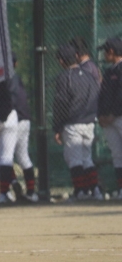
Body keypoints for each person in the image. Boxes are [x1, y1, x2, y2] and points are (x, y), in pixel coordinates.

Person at [52, 44, 102, 200]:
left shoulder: (64, 77)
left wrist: (57, 128)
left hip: (73, 123)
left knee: (74, 159)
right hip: (90, 122)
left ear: (61, 61)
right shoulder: (88, 75)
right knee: (87, 158)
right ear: (75, 57)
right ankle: (95, 190)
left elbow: (60, 103)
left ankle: (80, 191)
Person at [8, 53, 38, 202]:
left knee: (4, 156)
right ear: (16, 64)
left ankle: (14, 187)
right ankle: (31, 192)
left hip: (14, 121)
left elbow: (10, 101)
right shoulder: (17, 78)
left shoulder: (8, 79)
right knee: (22, 157)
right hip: (24, 120)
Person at [97, 37, 122, 199]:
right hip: (109, 119)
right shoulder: (109, 71)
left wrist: (113, 113)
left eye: (106, 51)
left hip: (119, 116)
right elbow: (102, 95)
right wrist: (101, 115)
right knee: (117, 155)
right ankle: (121, 189)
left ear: (111, 51)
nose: (104, 55)